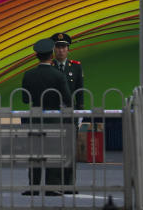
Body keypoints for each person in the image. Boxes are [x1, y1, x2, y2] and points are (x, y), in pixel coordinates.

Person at [21, 38, 72, 196]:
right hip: (54, 118)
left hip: (35, 117)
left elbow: (24, 99)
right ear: (51, 55)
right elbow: (68, 99)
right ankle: (52, 186)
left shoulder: (28, 75)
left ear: (37, 56)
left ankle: (34, 186)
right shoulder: (58, 75)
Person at [51, 32, 83, 190]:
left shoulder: (75, 67)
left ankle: (69, 183)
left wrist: (80, 113)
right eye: (58, 47)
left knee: (70, 149)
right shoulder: (49, 67)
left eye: (63, 47)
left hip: (70, 113)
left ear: (68, 49)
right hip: (54, 114)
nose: (61, 50)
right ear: (54, 49)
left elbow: (80, 91)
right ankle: (56, 183)